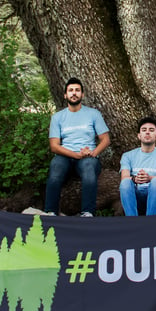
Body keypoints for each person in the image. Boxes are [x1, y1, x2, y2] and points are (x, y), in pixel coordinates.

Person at [45, 77, 110, 216]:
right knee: (55, 170)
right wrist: (75, 155)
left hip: (88, 157)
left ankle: (87, 213)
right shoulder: (57, 117)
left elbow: (105, 139)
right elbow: (54, 146)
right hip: (65, 156)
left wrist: (94, 153)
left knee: (89, 171)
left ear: (82, 94)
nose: (74, 93)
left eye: (77, 90)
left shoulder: (93, 114)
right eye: (70, 90)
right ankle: (51, 212)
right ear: (65, 95)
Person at [119, 117, 156, 216]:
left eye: (151, 130)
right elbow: (124, 177)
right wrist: (135, 179)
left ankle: (150, 220)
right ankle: (131, 220)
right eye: (144, 130)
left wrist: (149, 178)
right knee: (125, 182)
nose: (147, 132)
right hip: (137, 196)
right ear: (139, 136)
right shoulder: (128, 156)